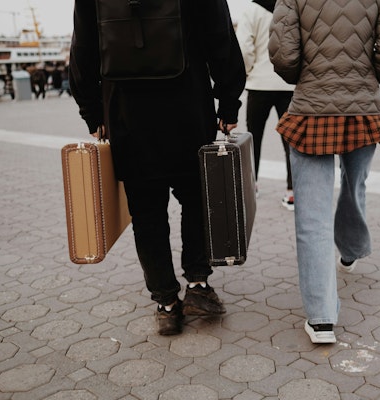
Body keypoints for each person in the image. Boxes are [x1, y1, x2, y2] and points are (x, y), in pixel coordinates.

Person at [69, 0, 246, 336]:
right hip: (188, 106)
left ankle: (166, 304)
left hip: (125, 113)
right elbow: (220, 36)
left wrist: (91, 112)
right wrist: (228, 101)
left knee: (146, 210)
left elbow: (83, 49)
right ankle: (198, 285)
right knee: (196, 199)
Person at [269, 0, 380, 343]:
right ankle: (350, 249)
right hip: (363, 107)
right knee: (355, 184)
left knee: (311, 216)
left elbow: (283, 54)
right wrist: (368, 76)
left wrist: (304, 74)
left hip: (310, 111)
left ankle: (321, 319)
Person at [236, 0, 296, 210]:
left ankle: (253, 185)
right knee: (291, 140)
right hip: (288, 84)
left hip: (259, 83)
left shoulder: (251, 10)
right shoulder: (292, 7)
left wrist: (250, 70)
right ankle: (292, 192)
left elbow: (244, 47)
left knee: (255, 137)